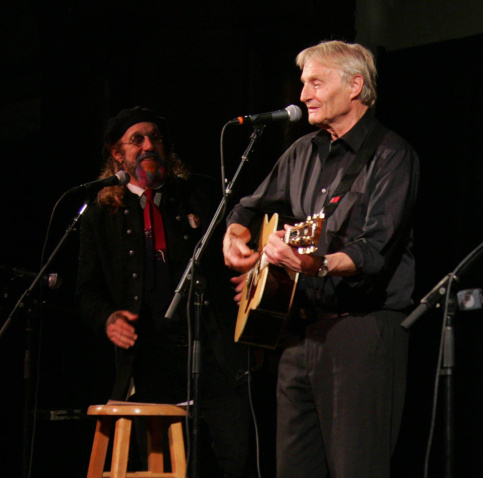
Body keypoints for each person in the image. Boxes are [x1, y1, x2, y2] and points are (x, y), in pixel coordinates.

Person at [223, 41, 419, 478]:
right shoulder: (301, 152)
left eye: (316, 82)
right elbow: (248, 206)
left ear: (354, 86)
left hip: (362, 334)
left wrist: (316, 265)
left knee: (357, 469)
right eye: (303, 83)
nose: (304, 94)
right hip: (298, 335)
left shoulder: (392, 155)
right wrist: (235, 233)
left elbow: (374, 252)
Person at [76, 107, 255, 477]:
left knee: (236, 458)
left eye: (155, 137)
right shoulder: (99, 214)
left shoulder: (199, 194)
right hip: (148, 359)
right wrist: (108, 318)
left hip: (212, 349)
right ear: (117, 154)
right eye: (137, 139)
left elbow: (238, 242)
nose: (148, 145)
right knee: (164, 466)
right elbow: (86, 291)